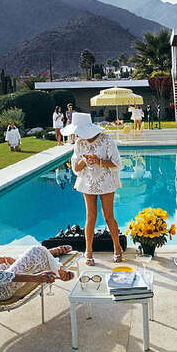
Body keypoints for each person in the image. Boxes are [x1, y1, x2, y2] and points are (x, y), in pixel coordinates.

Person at [61, 112, 124, 266]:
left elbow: (117, 164)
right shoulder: (79, 143)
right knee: (90, 216)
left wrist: (99, 161)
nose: (77, 134)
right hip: (87, 182)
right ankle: (88, 250)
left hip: (106, 182)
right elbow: (76, 168)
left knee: (108, 216)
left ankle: (117, 247)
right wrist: (84, 160)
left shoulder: (107, 140)